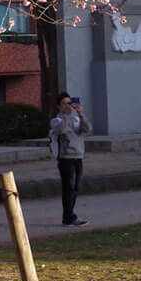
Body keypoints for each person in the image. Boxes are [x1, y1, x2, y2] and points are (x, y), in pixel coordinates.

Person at [50, 91, 93, 226]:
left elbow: (88, 129)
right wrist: (67, 116)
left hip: (78, 157)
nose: (67, 106)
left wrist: (80, 113)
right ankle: (69, 216)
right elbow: (60, 130)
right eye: (64, 104)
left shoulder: (76, 119)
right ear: (58, 106)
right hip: (65, 158)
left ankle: (70, 215)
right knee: (68, 187)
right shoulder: (57, 120)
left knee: (75, 187)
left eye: (69, 103)